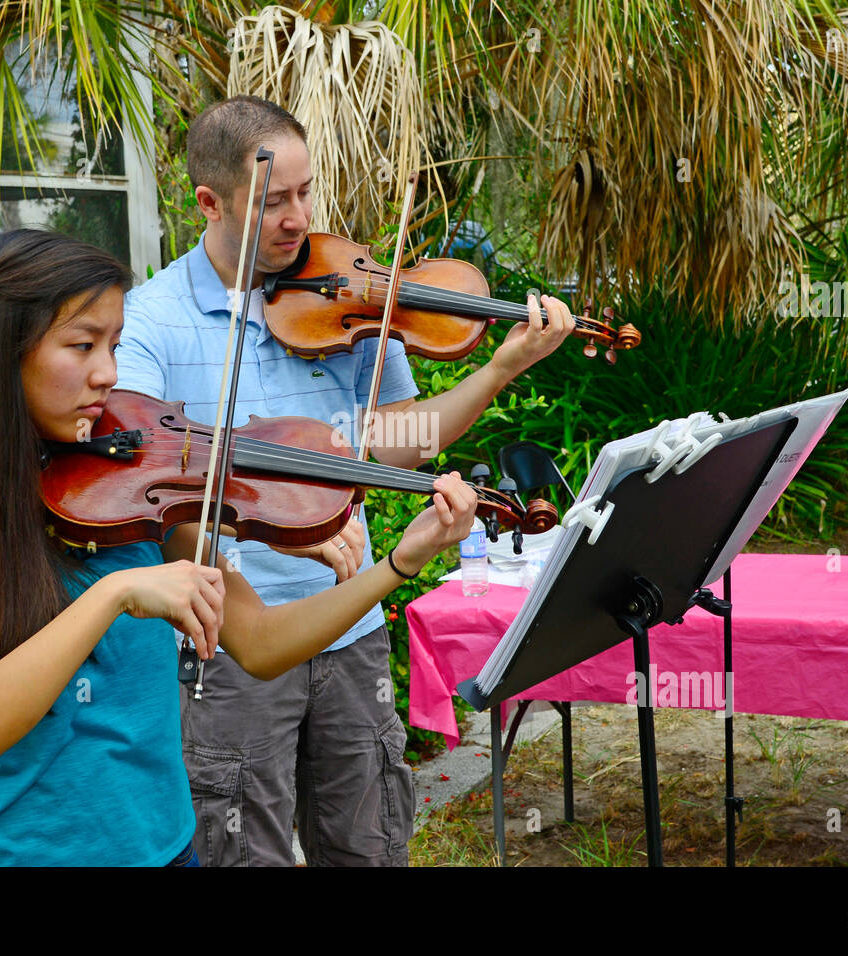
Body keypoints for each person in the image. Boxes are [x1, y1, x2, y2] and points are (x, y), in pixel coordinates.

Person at [0, 229, 477, 866]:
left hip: (166, 849)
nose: (109, 374)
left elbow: (261, 643)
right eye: (82, 345)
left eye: (115, 345)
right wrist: (114, 593)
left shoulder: (130, 497)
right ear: (1, 354)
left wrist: (399, 563)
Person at [117, 96, 576, 866]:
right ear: (209, 202)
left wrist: (502, 368)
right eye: (275, 202)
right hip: (228, 643)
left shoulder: (347, 297)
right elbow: (146, 480)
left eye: (306, 192)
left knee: (367, 845)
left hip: (352, 631)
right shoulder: (151, 322)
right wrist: (287, 517)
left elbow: (398, 441)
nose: (300, 219)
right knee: (243, 851)